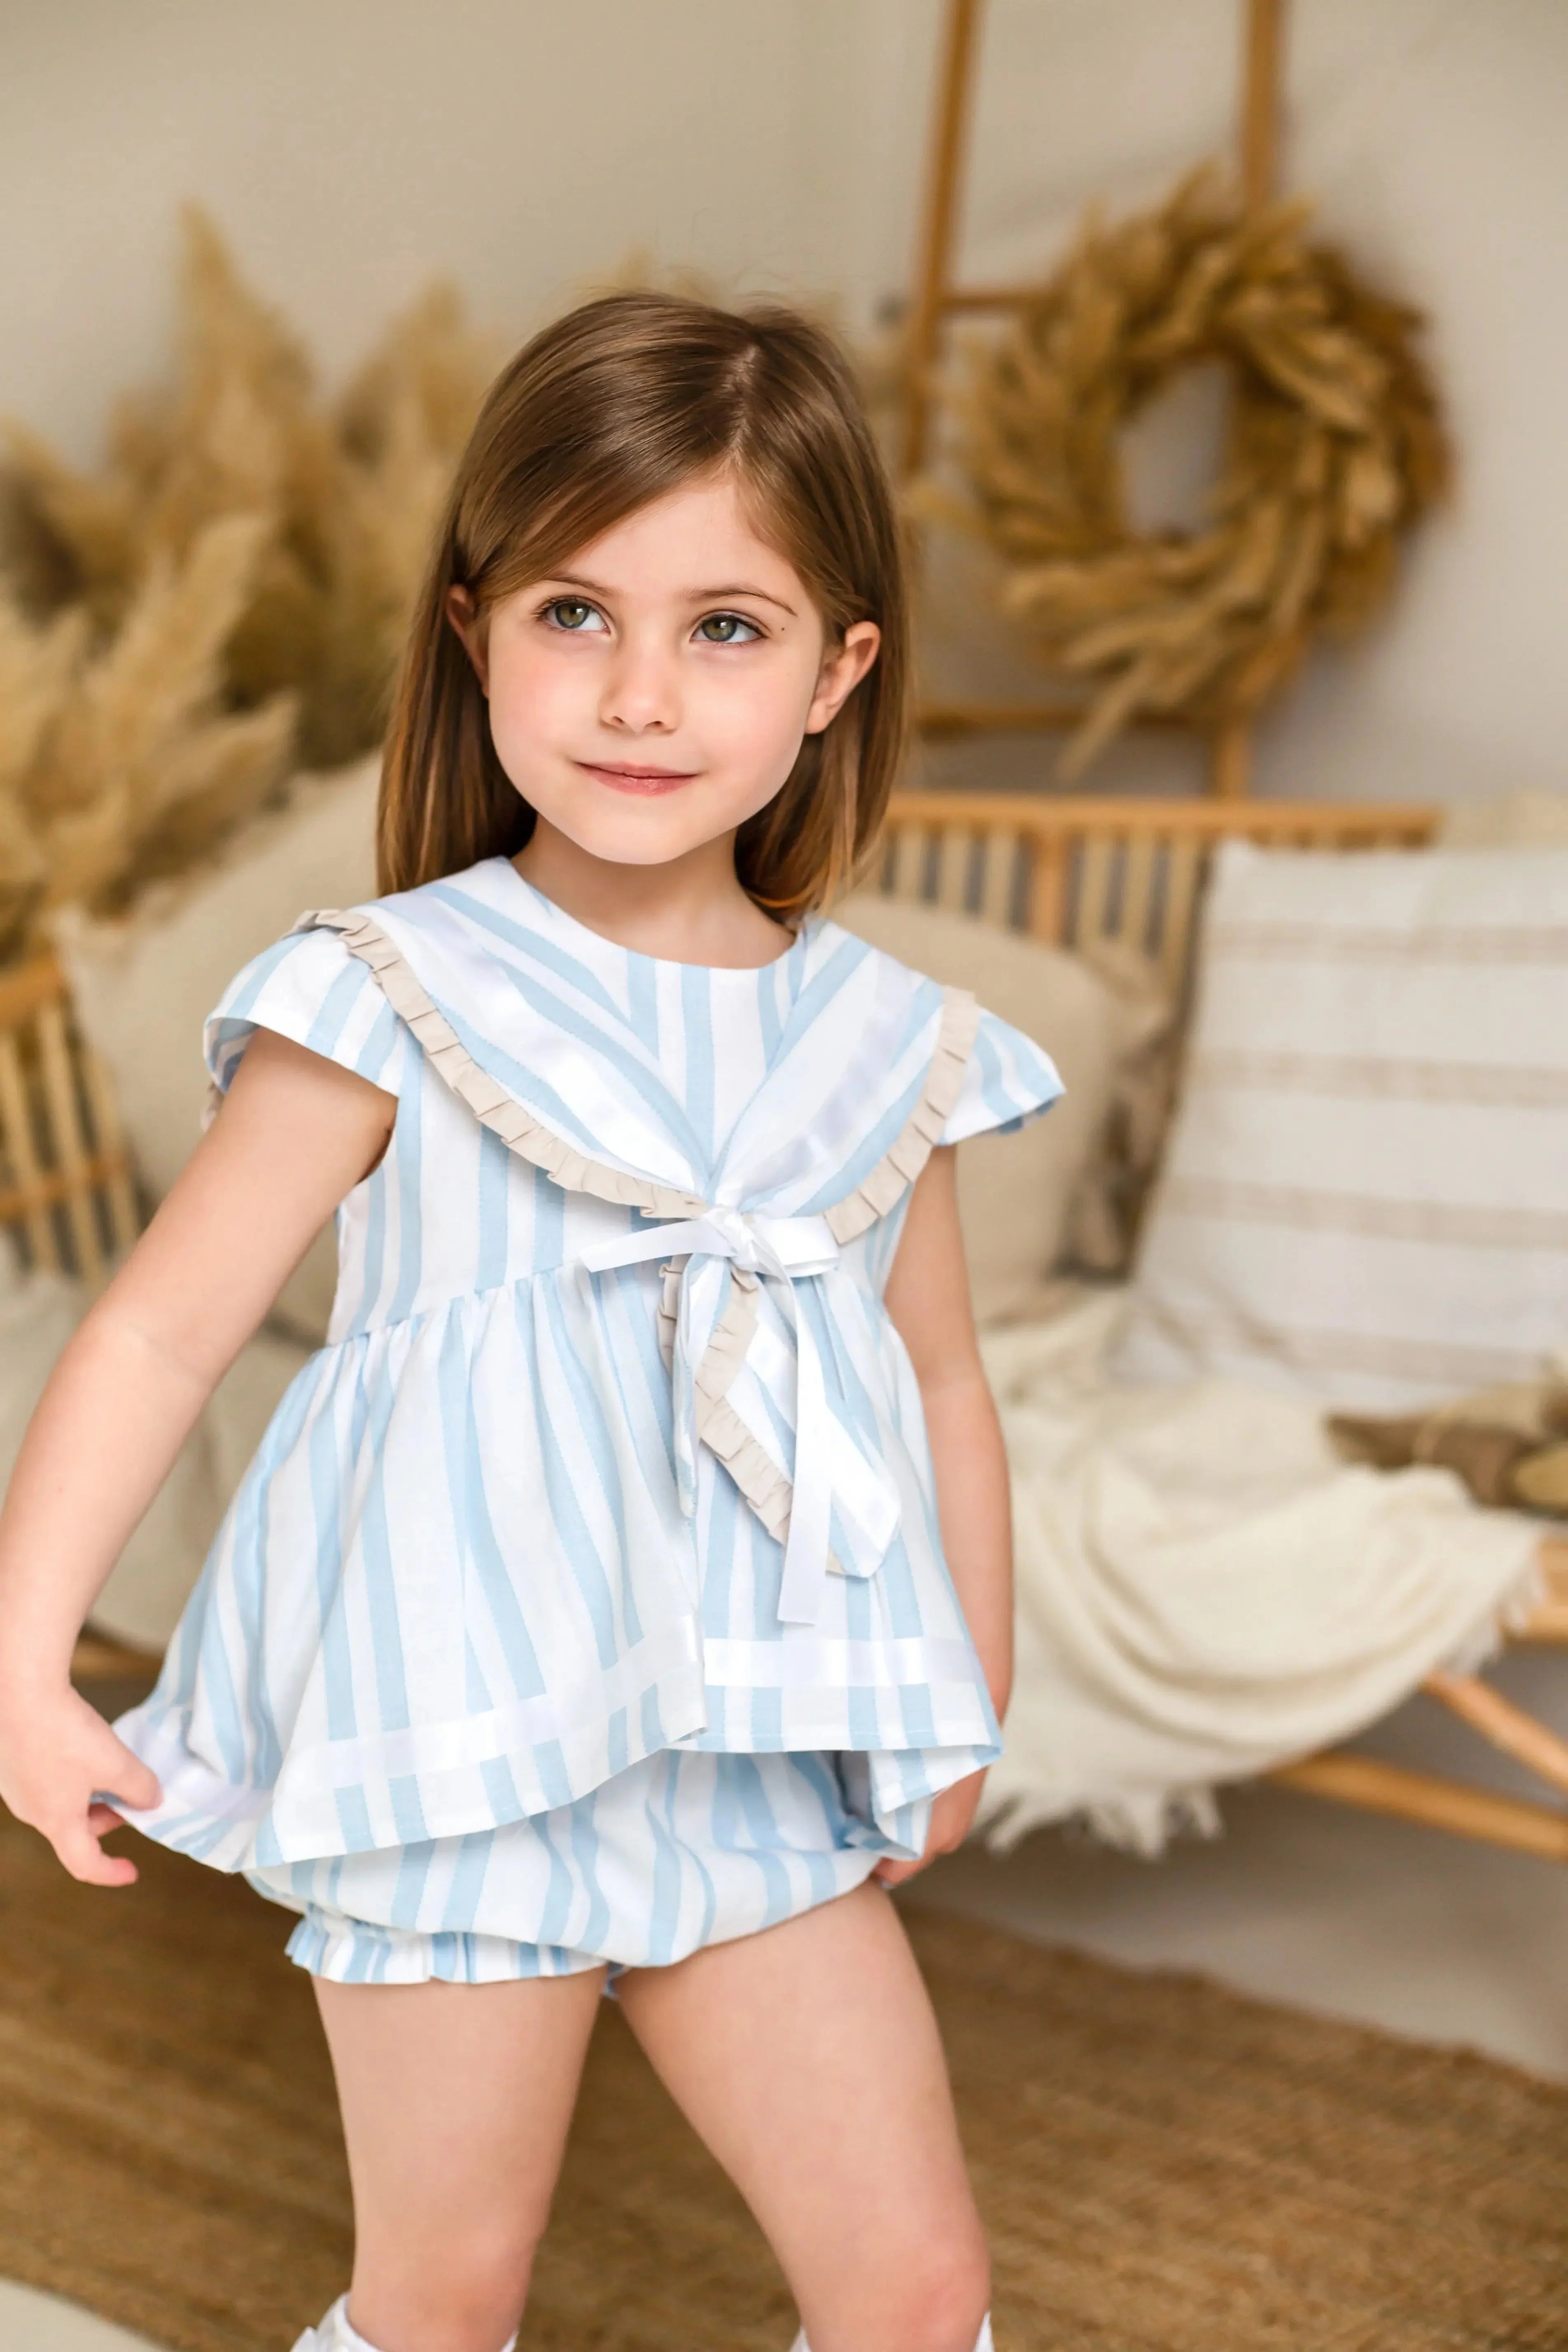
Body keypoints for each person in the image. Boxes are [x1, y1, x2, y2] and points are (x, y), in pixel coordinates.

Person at [0, 292, 1061, 2352]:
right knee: (447, 2298)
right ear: (475, 630)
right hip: (452, 1755)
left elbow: (940, 1377)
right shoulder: (388, 993)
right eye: (577, 614)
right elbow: (153, 1338)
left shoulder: (884, 1046)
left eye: (726, 627)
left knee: (918, 2288)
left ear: (838, 671)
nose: (640, 695)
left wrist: (966, 1695)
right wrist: (25, 1659)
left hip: (745, 1756)